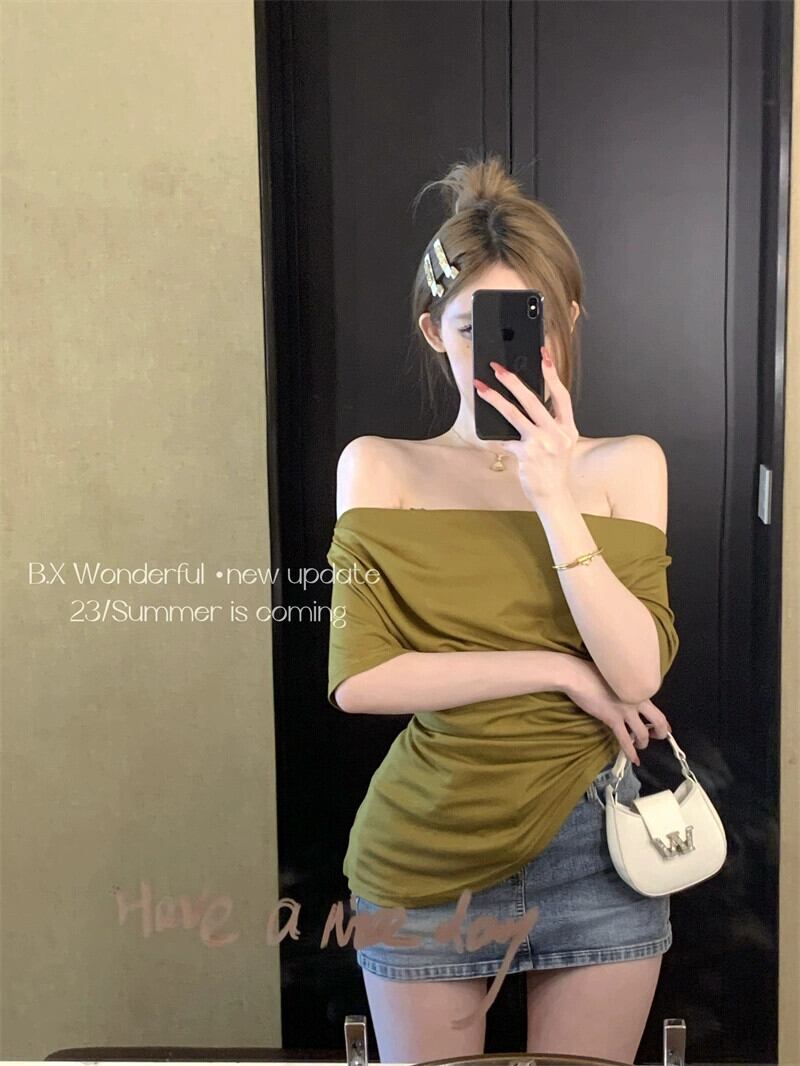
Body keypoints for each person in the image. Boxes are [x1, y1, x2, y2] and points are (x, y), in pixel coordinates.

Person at [326, 153, 679, 1064]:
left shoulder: (627, 465)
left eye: (533, 323)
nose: (510, 353)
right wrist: (559, 670)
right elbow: (361, 680)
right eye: (472, 327)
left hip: (603, 847)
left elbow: (635, 672)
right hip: (425, 850)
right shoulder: (381, 467)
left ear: (568, 322)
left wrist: (553, 492)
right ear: (433, 333)